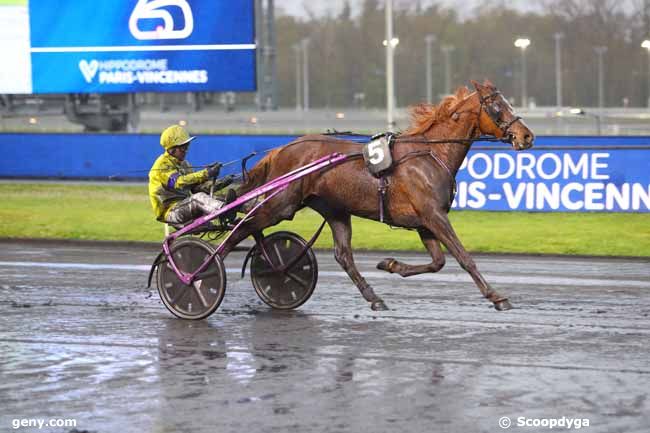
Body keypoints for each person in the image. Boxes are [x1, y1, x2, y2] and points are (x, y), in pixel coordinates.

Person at [148, 124, 235, 226]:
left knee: (219, 198)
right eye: (183, 148)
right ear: (172, 149)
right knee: (197, 198)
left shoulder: (185, 164)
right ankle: (224, 211)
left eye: (187, 147)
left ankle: (247, 210)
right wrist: (206, 173)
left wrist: (223, 181)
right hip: (170, 212)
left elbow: (197, 189)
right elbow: (179, 182)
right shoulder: (161, 164)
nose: (186, 150)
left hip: (185, 205)